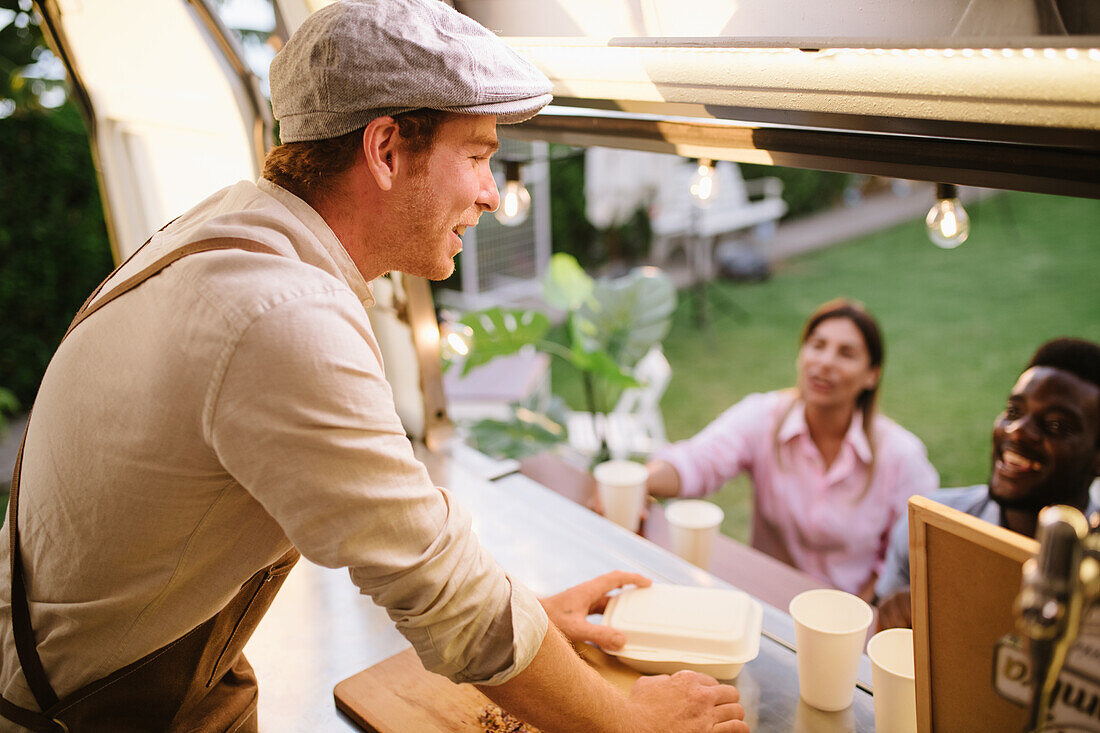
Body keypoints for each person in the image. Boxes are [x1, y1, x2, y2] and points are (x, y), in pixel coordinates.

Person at [0, 2, 747, 732]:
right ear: (386, 150)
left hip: (154, 669)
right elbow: (447, 593)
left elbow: (423, 556)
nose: (491, 193)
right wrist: (628, 720)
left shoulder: (237, 227)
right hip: (91, 708)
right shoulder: (281, 315)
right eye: (479, 156)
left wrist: (533, 621)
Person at [644, 299, 939, 598]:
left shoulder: (902, 457)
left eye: (846, 353)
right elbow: (697, 462)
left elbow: (907, 557)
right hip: (766, 601)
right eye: (817, 345)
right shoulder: (763, 416)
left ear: (871, 375)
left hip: (849, 617)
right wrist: (641, 482)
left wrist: (856, 612)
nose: (824, 361)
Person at [875, 337, 1100, 630]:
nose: (1017, 432)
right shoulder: (928, 527)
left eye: (1056, 425)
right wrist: (894, 616)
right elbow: (883, 631)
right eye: (1013, 412)